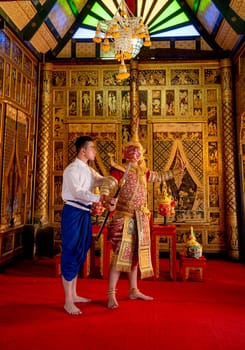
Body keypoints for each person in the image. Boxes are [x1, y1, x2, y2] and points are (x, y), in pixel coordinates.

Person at [107, 130, 185, 309]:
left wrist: (177, 170)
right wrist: (105, 196)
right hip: (124, 217)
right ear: (125, 152)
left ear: (142, 154)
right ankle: (111, 294)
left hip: (141, 219)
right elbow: (109, 183)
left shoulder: (144, 172)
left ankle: (133, 289)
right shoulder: (119, 171)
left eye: (138, 150)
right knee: (120, 257)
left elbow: (159, 176)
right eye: (131, 150)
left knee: (135, 257)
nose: (135, 153)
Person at [61, 135, 117, 315]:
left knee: (81, 249)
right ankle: (68, 301)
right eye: (92, 148)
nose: (94, 151)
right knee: (70, 251)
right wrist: (101, 197)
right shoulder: (71, 170)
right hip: (73, 213)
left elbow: (100, 180)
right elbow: (78, 193)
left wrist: (112, 179)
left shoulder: (88, 170)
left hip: (84, 213)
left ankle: (75, 294)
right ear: (83, 150)